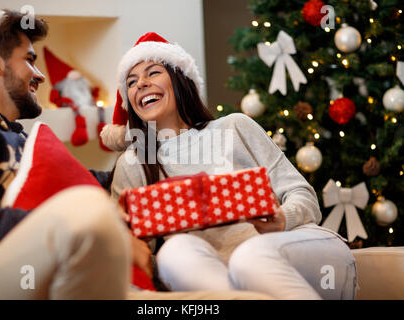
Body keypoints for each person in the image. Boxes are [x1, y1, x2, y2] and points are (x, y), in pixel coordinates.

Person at [102, 32, 357, 300]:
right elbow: (139, 258)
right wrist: (131, 240)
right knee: (173, 252)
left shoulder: (235, 126)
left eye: (152, 73)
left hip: (294, 250)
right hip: (221, 277)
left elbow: (304, 198)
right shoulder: (133, 164)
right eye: (131, 82)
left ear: (179, 79)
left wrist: (283, 218)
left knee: (250, 257)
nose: (140, 84)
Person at [0, 5, 152, 299]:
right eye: (30, 60)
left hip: (50, 282)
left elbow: (97, 182)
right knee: (87, 205)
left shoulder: (20, 139)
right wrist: (99, 225)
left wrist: (153, 161)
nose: (40, 76)